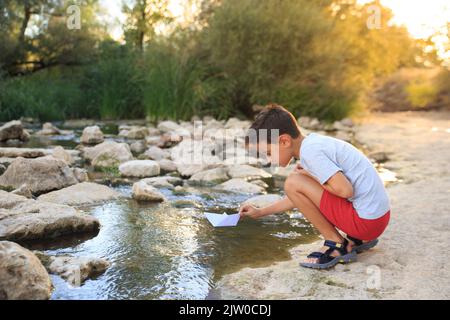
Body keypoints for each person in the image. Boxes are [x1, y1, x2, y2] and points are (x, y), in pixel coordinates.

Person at [239, 104, 390, 269]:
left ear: (284, 141)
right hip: (376, 218)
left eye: (268, 152)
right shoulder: (313, 143)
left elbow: (345, 190)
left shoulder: (311, 153)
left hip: (366, 224)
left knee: (292, 182)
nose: (268, 160)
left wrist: (310, 175)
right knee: (296, 182)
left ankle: (336, 244)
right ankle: (354, 240)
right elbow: (302, 197)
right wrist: (261, 212)